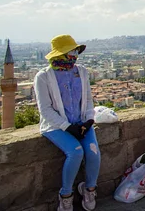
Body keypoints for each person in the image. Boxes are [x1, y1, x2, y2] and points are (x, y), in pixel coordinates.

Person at [34, 35, 100, 211]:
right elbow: (45, 110)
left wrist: (88, 120)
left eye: (75, 51)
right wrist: (67, 127)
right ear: (60, 54)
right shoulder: (43, 77)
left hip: (81, 122)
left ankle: (90, 189)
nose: (74, 54)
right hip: (55, 126)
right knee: (76, 152)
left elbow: (87, 101)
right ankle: (66, 195)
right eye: (71, 51)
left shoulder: (82, 72)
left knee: (93, 153)